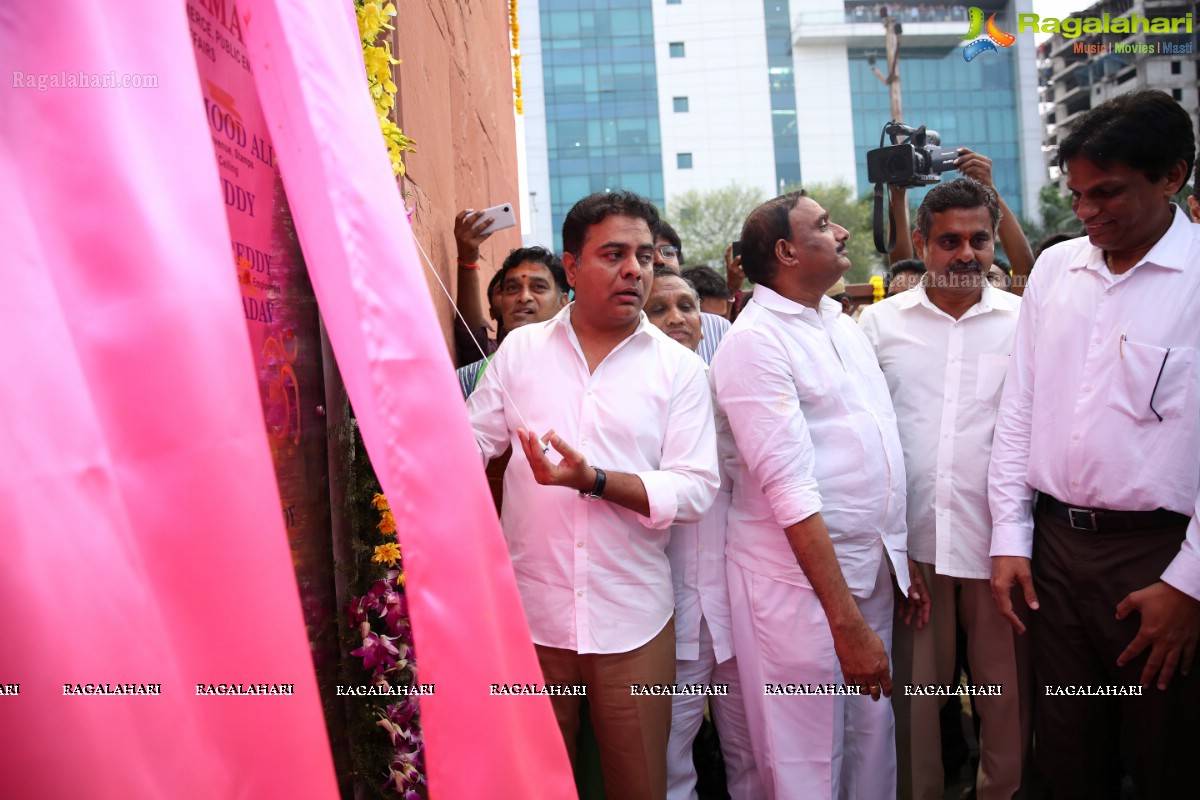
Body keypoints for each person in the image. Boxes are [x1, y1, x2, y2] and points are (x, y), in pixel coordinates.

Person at [468, 190, 720, 800]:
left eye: (645, 255)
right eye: (614, 254)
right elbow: (468, 444)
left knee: (638, 784)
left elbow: (695, 490)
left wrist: (597, 481)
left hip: (632, 621)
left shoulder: (679, 369)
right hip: (531, 615)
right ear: (573, 267)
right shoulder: (520, 352)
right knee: (533, 783)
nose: (636, 268)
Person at [989, 89, 1200, 799]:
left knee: (1166, 749)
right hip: (1055, 557)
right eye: (1075, 194)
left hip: (1160, 558)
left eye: (1106, 192)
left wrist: (1189, 585)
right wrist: (1011, 539)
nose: (1086, 212)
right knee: (1069, 751)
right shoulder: (1055, 271)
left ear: (1172, 176)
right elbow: (1020, 408)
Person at [711, 191, 928, 800]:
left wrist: (899, 553)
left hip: (866, 572)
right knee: (806, 760)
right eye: (825, 224)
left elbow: (873, 448)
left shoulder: (837, 322)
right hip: (796, 590)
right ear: (785, 251)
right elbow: (791, 491)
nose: (842, 232)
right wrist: (846, 624)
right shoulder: (756, 343)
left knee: (869, 745)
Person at [860, 178, 1030, 800]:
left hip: (1003, 549)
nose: (967, 254)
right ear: (922, 244)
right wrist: (894, 547)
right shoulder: (876, 327)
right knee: (913, 707)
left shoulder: (1025, 322)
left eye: (980, 240)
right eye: (950, 241)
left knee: (1007, 702)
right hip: (915, 553)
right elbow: (865, 443)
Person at [644, 267, 761, 800]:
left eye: (686, 306)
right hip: (667, 616)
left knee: (757, 754)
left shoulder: (737, 391)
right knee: (669, 763)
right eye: (659, 308)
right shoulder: (630, 402)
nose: (676, 319)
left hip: (745, 611)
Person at [889, 148, 1034, 296]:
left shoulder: (1014, 311)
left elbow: (1025, 268)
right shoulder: (899, 312)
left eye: (990, 278)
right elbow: (901, 267)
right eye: (950, 242)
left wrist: (989, 189)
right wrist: (897, 196)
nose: (966, 256)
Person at [457, 247, 568, 398]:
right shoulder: (470, 379)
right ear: (501, 302)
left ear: (563, 303)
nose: (524, 297)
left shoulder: (587, 370)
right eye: (513, 288)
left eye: (538, 287)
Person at [655, 220, 730, 364]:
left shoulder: (719, 327)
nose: (659, 260)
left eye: (668, 252)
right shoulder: (617, 333)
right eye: (646, 254)